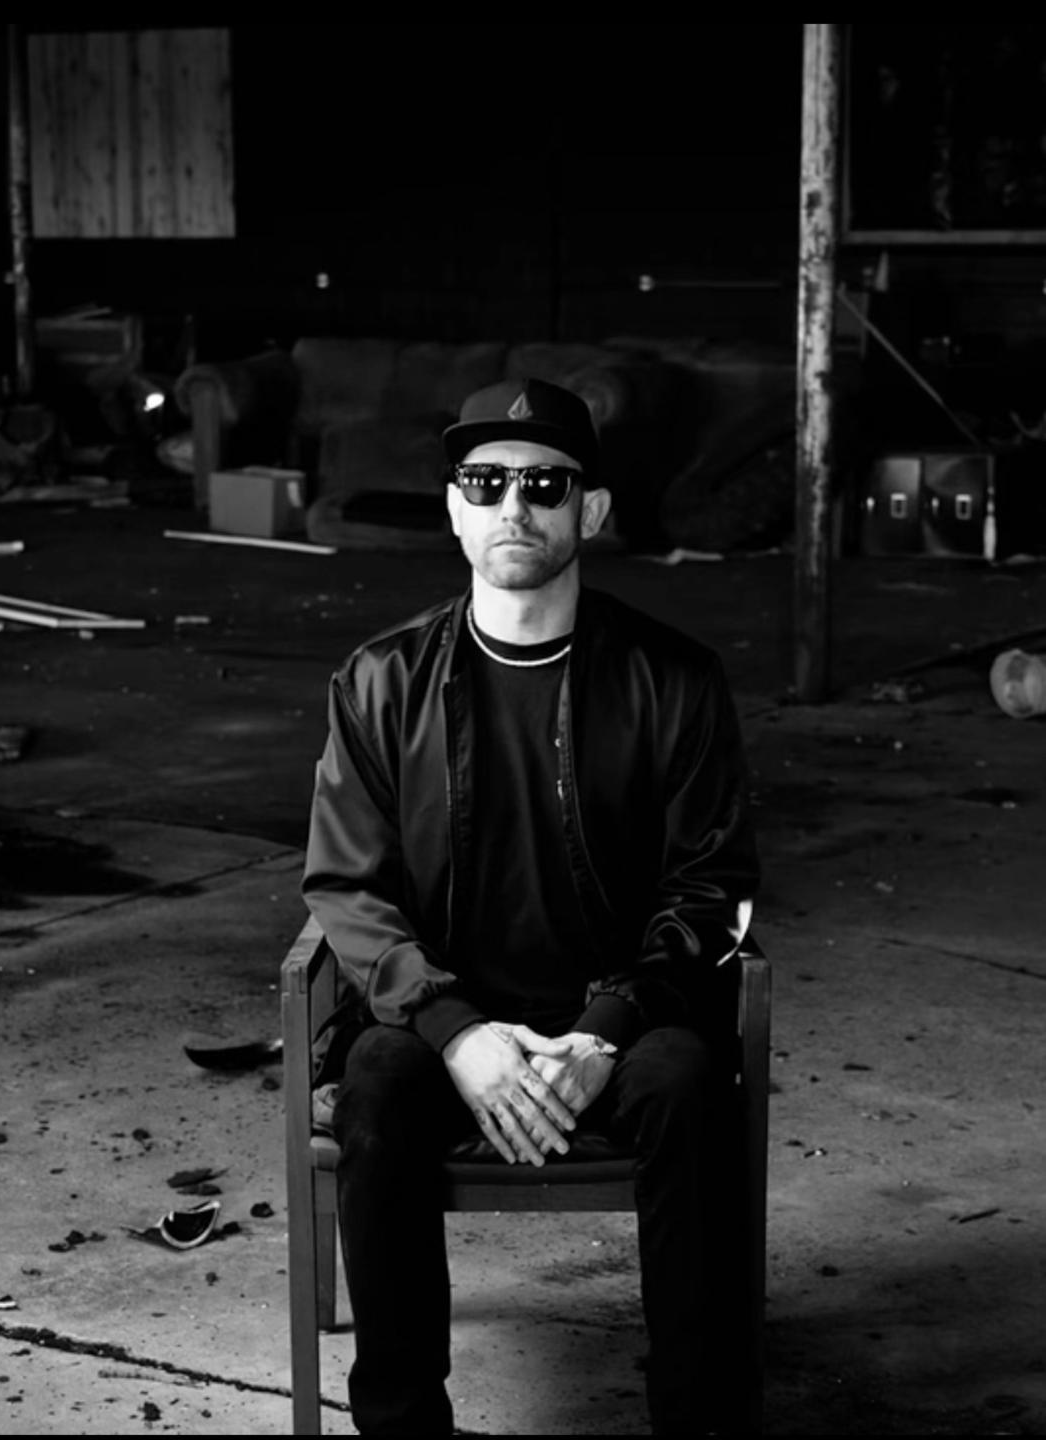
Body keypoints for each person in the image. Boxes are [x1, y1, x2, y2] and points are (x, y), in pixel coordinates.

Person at [301, 375, 760, 1436]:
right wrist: (457, 1032)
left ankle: (698, 1420)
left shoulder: (675, 681)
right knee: (376, 1082)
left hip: (625, 1019)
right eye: (486, 482)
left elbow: (712, 886)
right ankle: (402, 1424)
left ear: (589, 512)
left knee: (687, 1084)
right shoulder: (379, 683)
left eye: (545, 485)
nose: (515, 505)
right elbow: (346, 885)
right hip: (442, 1016)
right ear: (454, 507)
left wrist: (602, 1032)